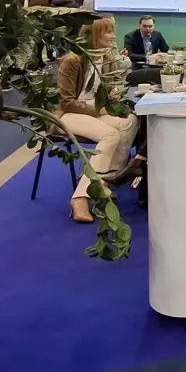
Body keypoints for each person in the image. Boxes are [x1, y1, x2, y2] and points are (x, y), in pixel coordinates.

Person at [56, 18, 139, 223]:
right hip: (69, 114)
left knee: (130, 121)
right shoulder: (72, 61)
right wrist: (99, 107)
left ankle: (106, 180)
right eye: (108, 32)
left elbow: (106, 89)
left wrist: (113, 93)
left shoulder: (105, 58)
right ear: (94, 35)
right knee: (110, 135)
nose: (113, 36)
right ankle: (80, 197)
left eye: (113, 31)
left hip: (95, 110)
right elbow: (67, 102)